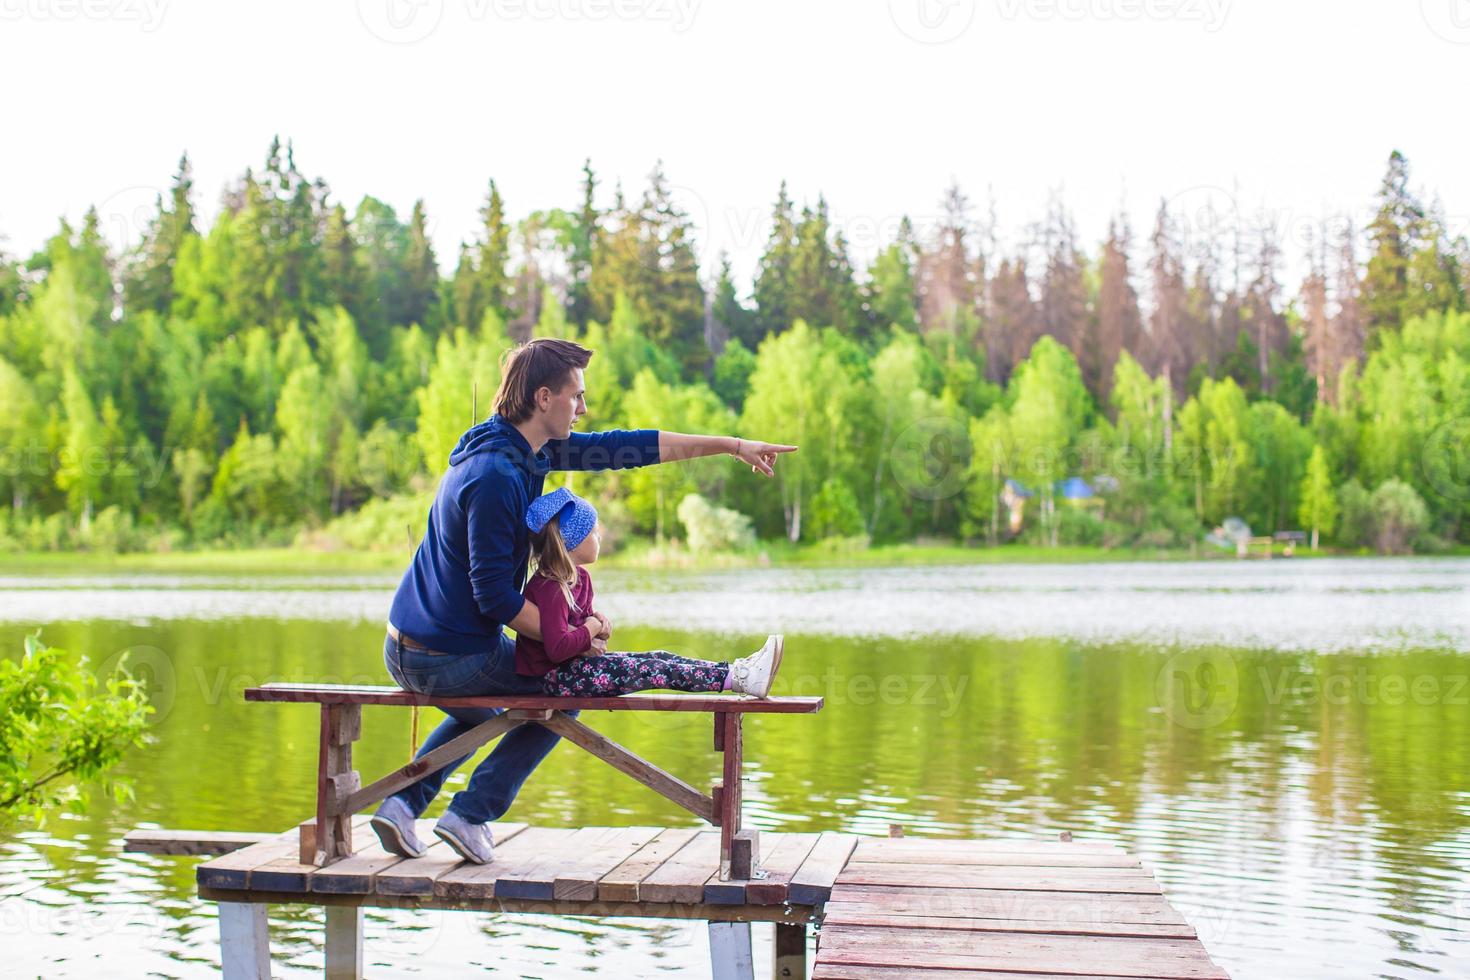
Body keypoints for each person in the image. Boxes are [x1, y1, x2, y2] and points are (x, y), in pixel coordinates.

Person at [371, 338, 796, 866]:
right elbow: (496, 599)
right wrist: (571, 642)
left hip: (412, 645)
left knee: (484, 708)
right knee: (565, 690)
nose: (585, 408)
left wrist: (732, 445)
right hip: (444, 657)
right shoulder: (496, 478)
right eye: (577, 397)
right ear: (544, 397)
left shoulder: (518, 448)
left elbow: (629, 448)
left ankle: (402, 806)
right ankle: (471, 815)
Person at [517, 486, 782, 698]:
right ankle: (740, 680)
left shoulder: (580, 578)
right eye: (593, 532)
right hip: (552, 679)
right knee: (652, 670)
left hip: (575, 669)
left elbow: (582, 628)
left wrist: (599, 628)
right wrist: (592, 627)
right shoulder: (551, 586)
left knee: (660, 658)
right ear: (571, 543)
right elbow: (557, 648)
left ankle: (739, 671)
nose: (599, 536)